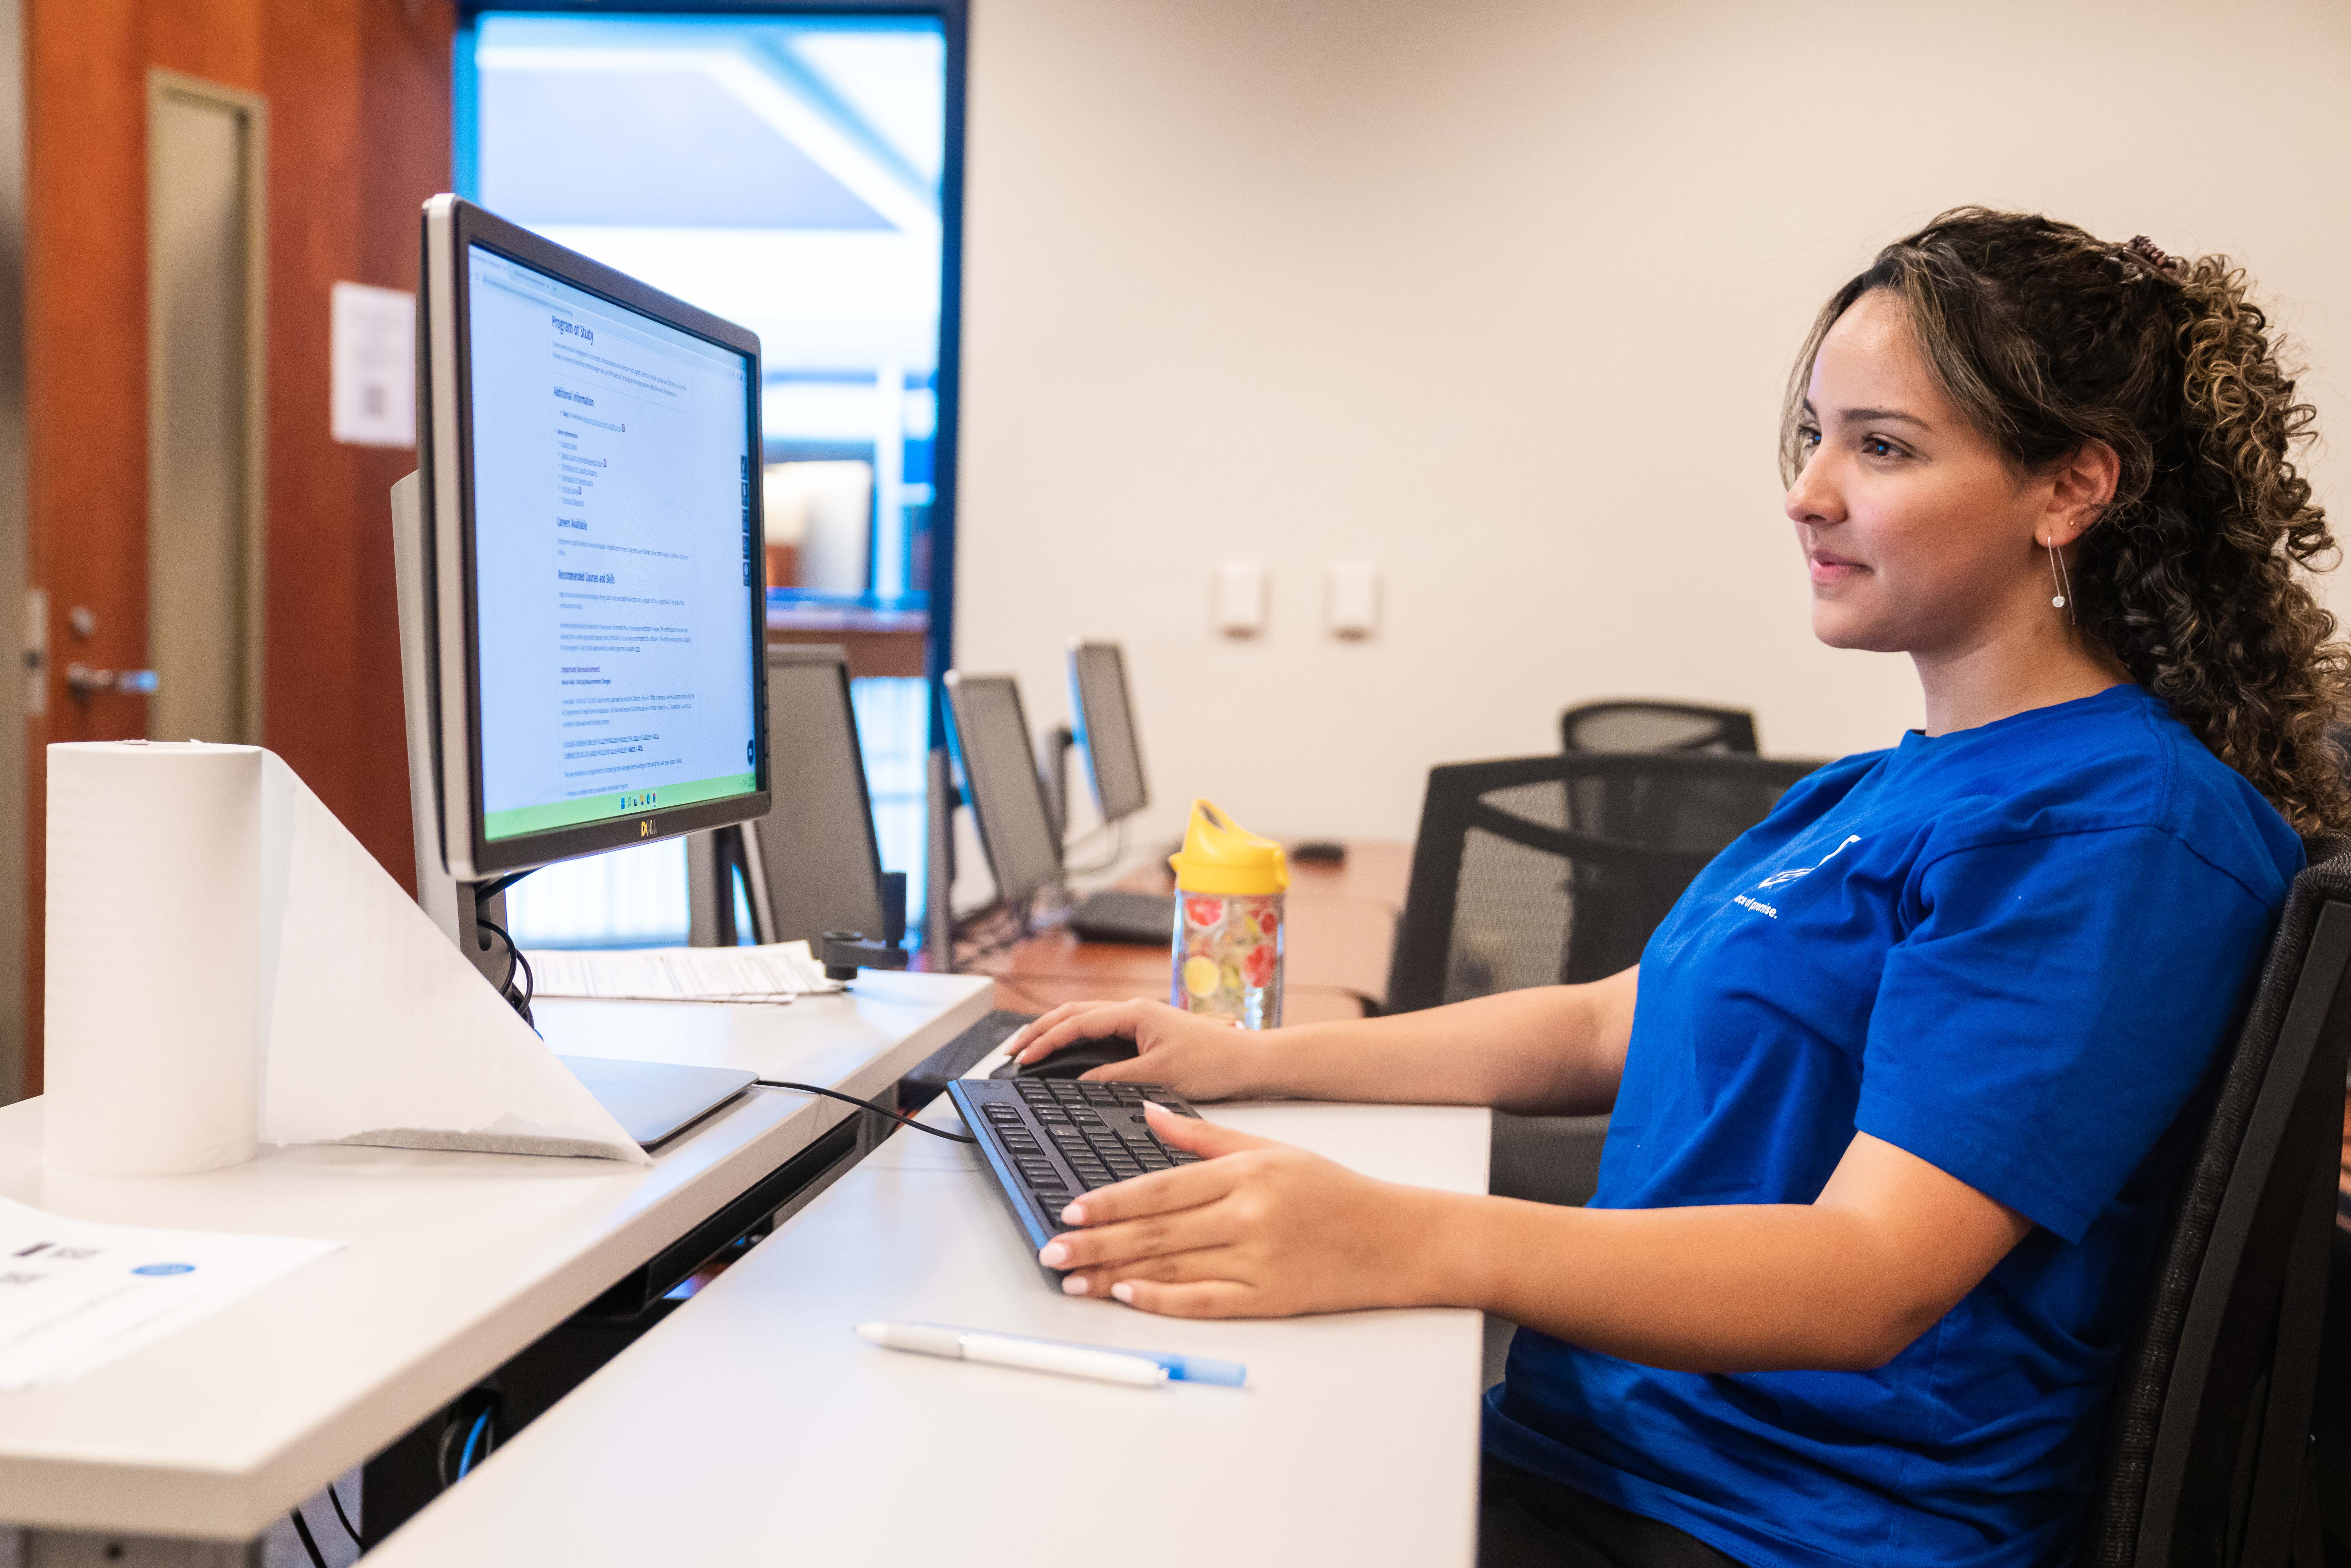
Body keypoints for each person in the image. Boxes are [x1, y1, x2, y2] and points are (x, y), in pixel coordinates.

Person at [1003, 209, 2350, 1568]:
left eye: (1878, 446)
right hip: (1609, 1453)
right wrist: (1254, 1059)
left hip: (1769, 1527)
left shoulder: (2113, 829)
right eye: (1813, 434)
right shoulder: (1879, 787)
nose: (1807, 490)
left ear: (2068, 490)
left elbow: (1870, 1275)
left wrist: (1394, 1238)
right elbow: (1609, 1021)